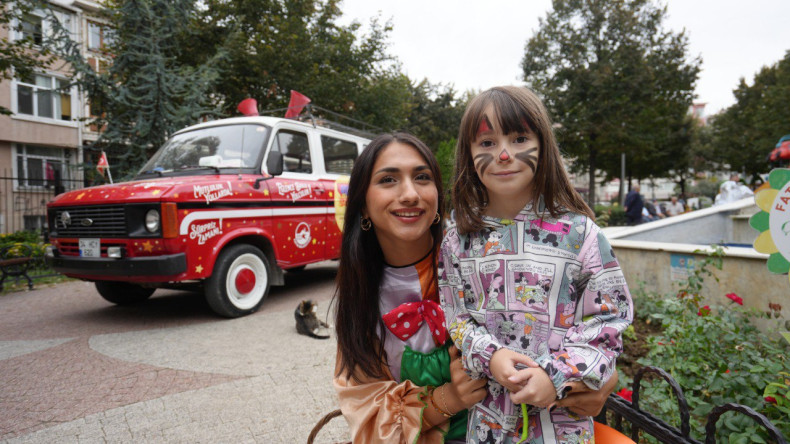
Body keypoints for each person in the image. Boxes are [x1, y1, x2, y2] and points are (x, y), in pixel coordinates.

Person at [333, 132, 619, 444]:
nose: (410, 194)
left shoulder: (482, 260)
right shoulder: (360, 298)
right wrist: (447, 400)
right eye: (388, 180)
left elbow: (583, 336)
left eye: (422, 177)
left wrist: (584, 384)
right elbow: (368, 418)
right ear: (362, 205)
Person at [440, 86, 633, 443]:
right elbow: (456, 317)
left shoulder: (582, 235)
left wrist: (557, 375)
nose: (503, 154)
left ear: (543, 146)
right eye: (487, 142)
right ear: (468, 153)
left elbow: (608, 320)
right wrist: (491, 356)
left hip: (562, 427)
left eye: (519, 138)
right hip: (488, 426)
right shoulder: (457, 241)